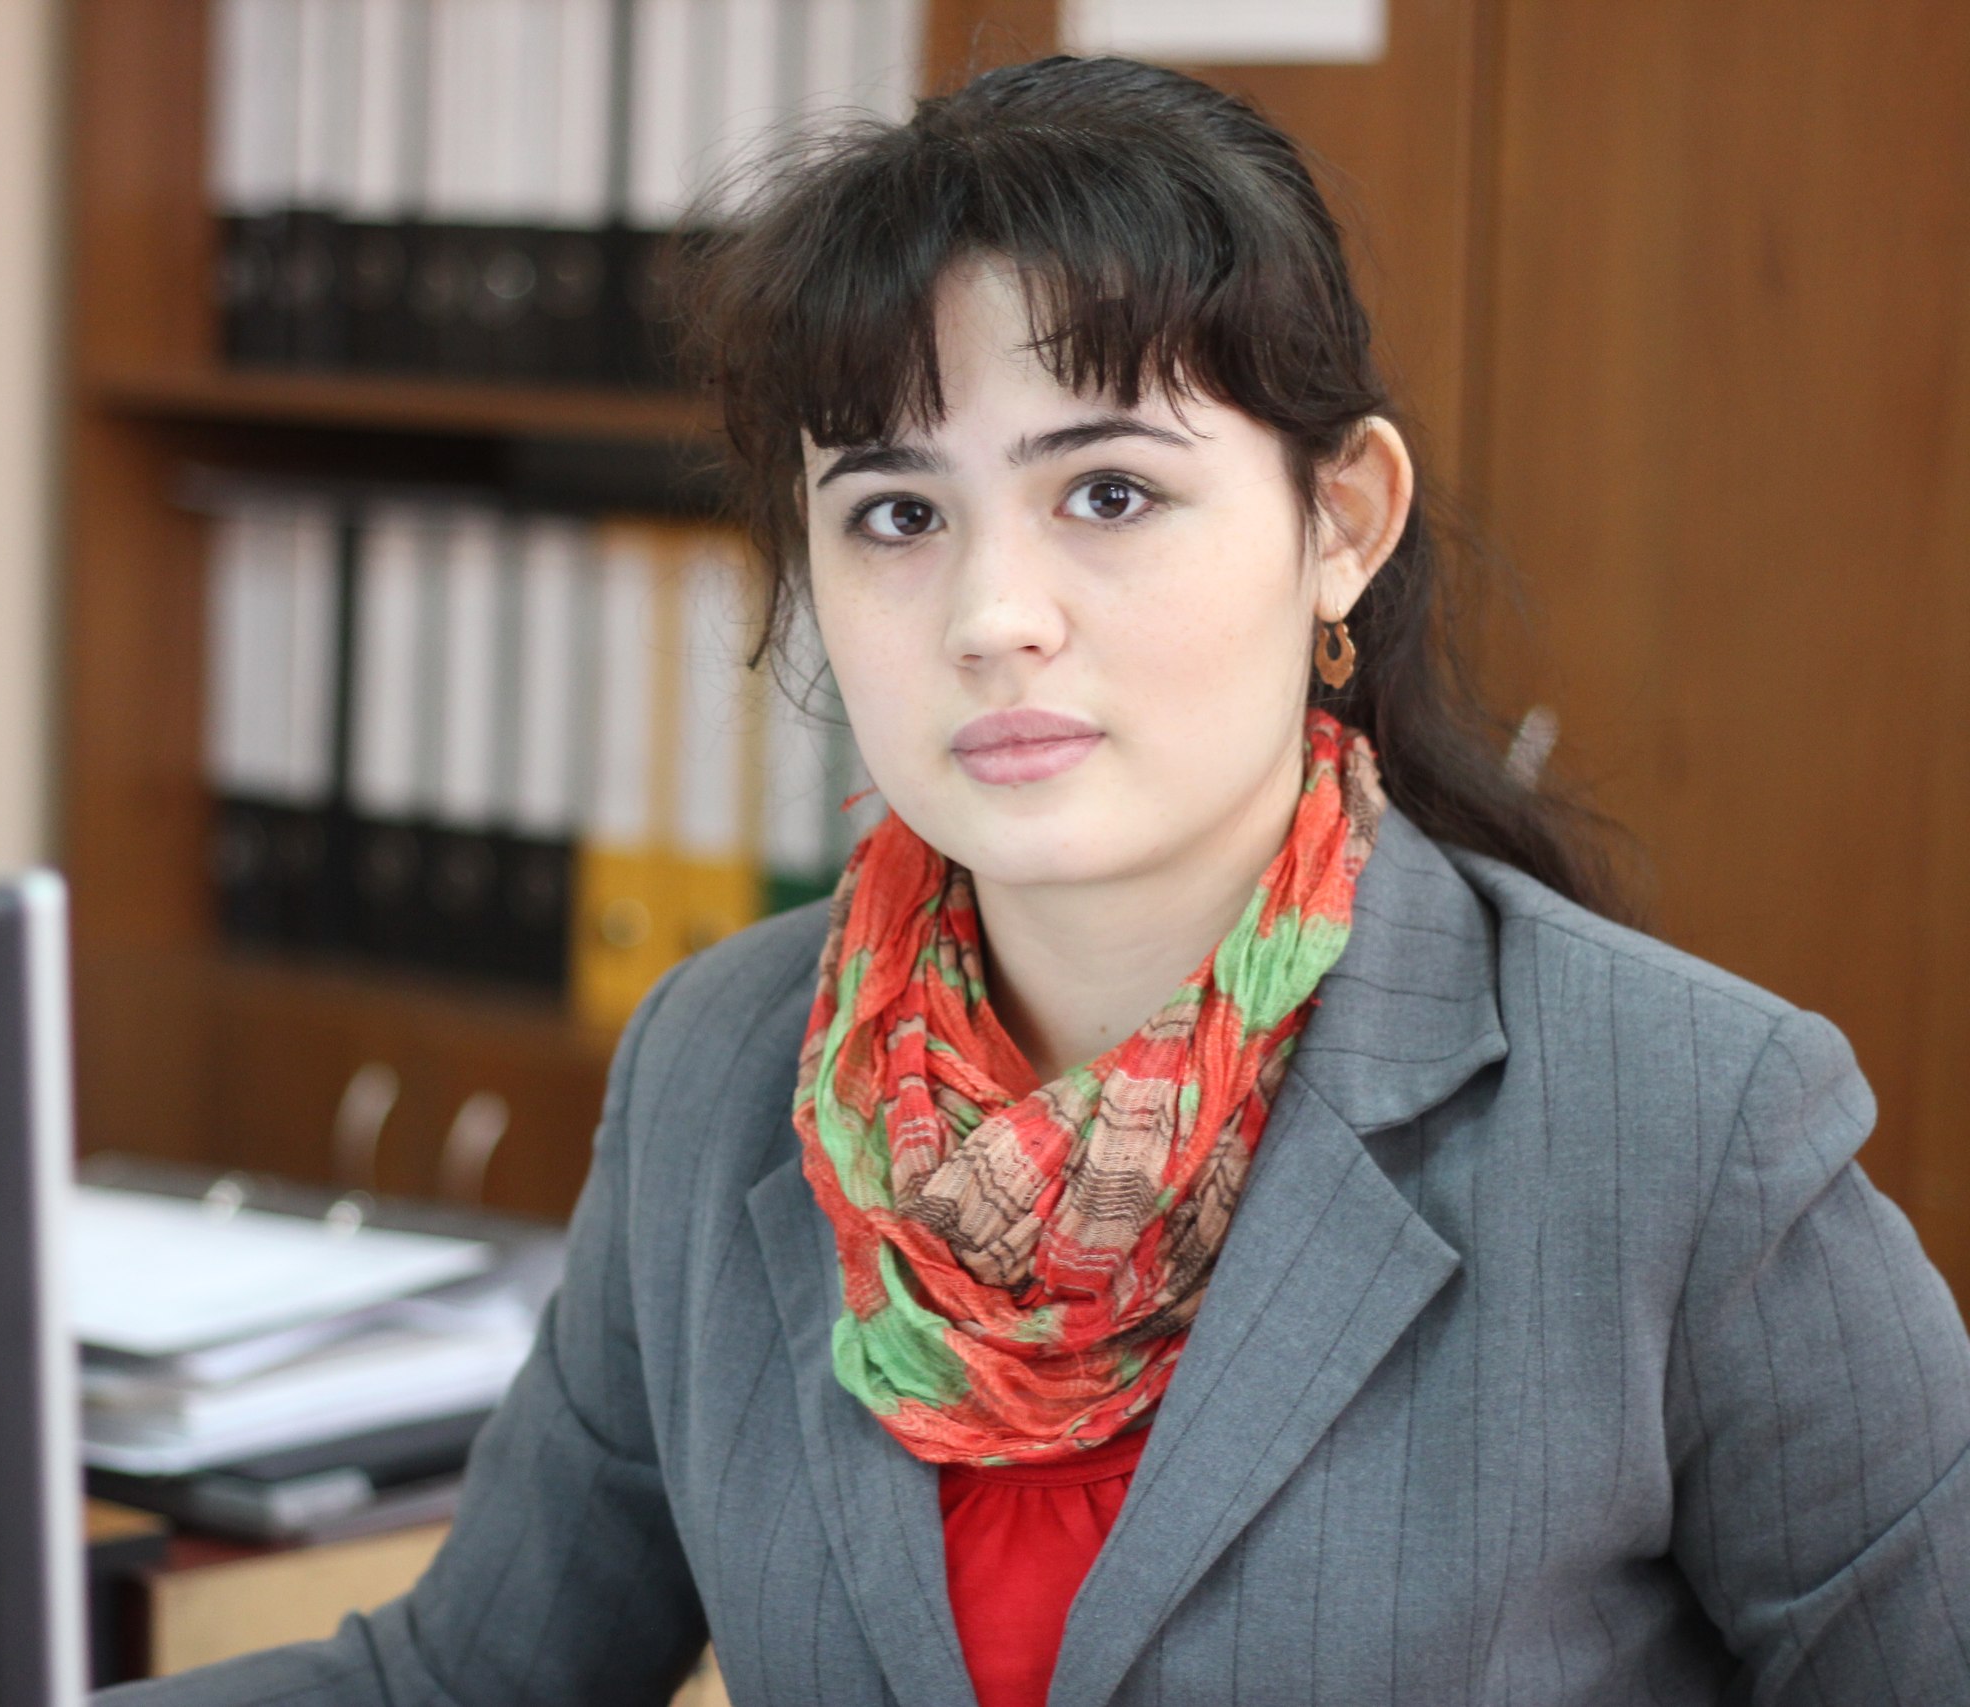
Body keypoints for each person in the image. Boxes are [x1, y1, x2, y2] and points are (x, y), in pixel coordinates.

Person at [103, 55, 1970, 1706]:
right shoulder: (723, 1063)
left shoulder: (1687, 1129)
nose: (994, 616)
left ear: (1341, 523)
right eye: (897, 515)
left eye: (1109, 492)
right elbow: (468, 1681)